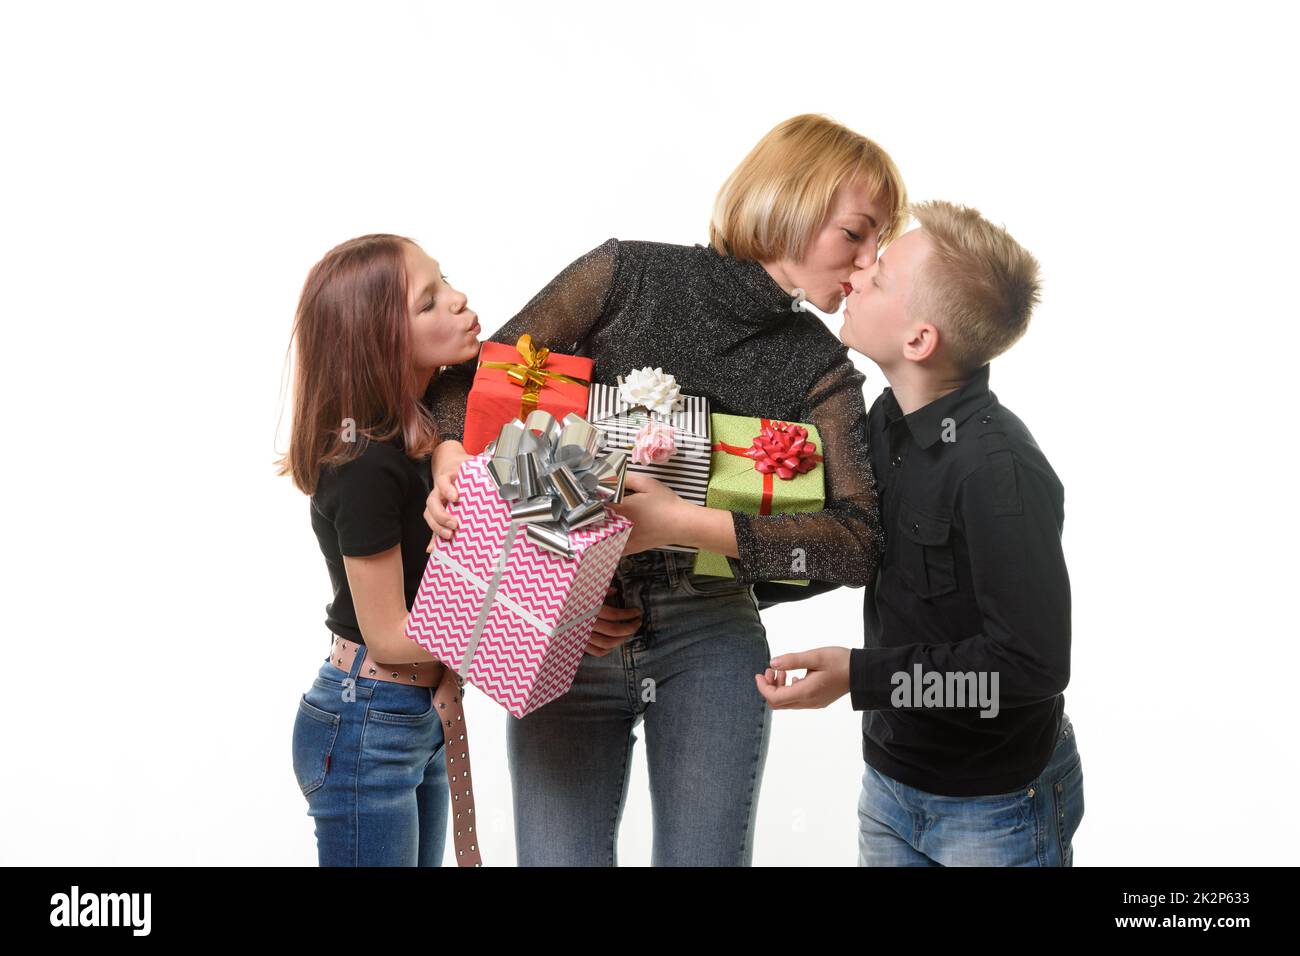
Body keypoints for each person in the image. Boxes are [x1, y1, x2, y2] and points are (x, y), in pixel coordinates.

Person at [423, 114, 907, 865]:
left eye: (881, 238)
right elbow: (468, 382)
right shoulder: (625, 275)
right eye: (857, 233)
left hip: (710, 634)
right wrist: (449, 461)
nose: (871, 259)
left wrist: (679, 522)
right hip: (567, 630)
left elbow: (857, 545)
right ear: (789, 203)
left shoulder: (823, 365)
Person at [757, 201, 1084, 866]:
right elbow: (853, 548)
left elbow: (1029, 667)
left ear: (918, 342)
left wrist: (860, 674)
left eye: (877, 279)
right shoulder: (888, 422)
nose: (855, 276)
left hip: (996, 809)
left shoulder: (1000, 473)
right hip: (891, 784)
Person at [279, 233, 485, 866]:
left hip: (411, 713)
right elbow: (391, 637)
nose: (458, 300)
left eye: (445, 281)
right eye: (429, 303)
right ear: (377, 343)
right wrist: (524, 626)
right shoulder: (366, 463)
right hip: (367, 719)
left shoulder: (423, 433)